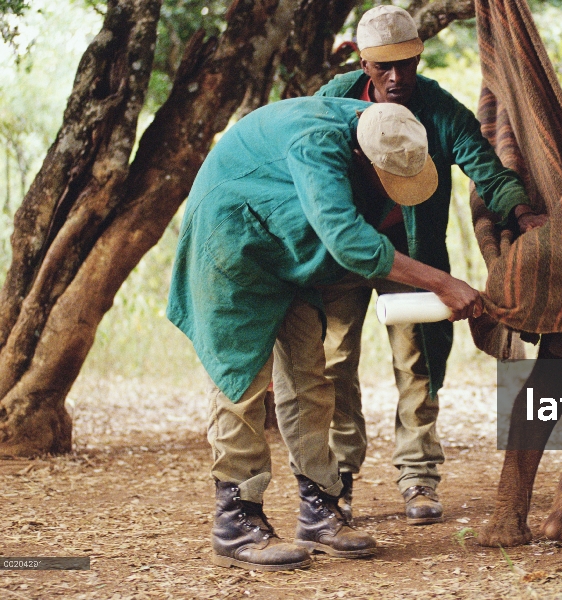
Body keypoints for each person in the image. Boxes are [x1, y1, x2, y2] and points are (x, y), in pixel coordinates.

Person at [166, 99, 484, 571]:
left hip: (282, 249)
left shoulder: (379, 122)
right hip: (230, 242)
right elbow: (347, 238)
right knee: (241, 383)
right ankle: (236, 520)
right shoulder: (317, 141)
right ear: (362, 158)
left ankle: (320, 510)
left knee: (309, 380)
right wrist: (441, 282)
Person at [309, 4, 545, 525]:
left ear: (420, 57)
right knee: (332, 361)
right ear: (362, 63)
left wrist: (523, 211)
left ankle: (418, 476)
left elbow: (488, 169)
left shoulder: (439, 110)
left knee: (416, 363)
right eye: (382, 67)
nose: (396, 78)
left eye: (407, 65)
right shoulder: (332, 104)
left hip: (409, 258)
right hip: (341, 253)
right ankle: (337, 478)